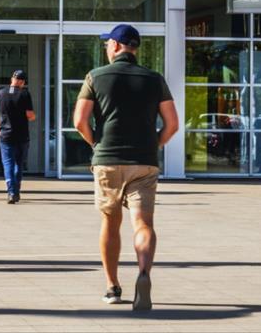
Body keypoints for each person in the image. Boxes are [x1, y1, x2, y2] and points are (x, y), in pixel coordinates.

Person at [73, 24, 179, 311]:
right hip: (144, 162)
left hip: (107, 160)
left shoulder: (95, 77)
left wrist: (96, 143)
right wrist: (154, 144)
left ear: (117, 46)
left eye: (108, 43)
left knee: (110, 222)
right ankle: (143, 273)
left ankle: (112, 286)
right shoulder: (154, 79)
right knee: (143, 224)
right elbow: (172, 124)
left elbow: (80, 121)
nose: (107, 48)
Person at [0, 70, 36, 204]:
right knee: (19, 164)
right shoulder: (24, 94)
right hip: (22, 135)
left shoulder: (0, 93)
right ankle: (16, 190)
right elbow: (30, 115)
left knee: (8, 163)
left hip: (5, 135)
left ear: (12, 79)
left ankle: (11, 192)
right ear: (22, 82)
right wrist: (33, 117)